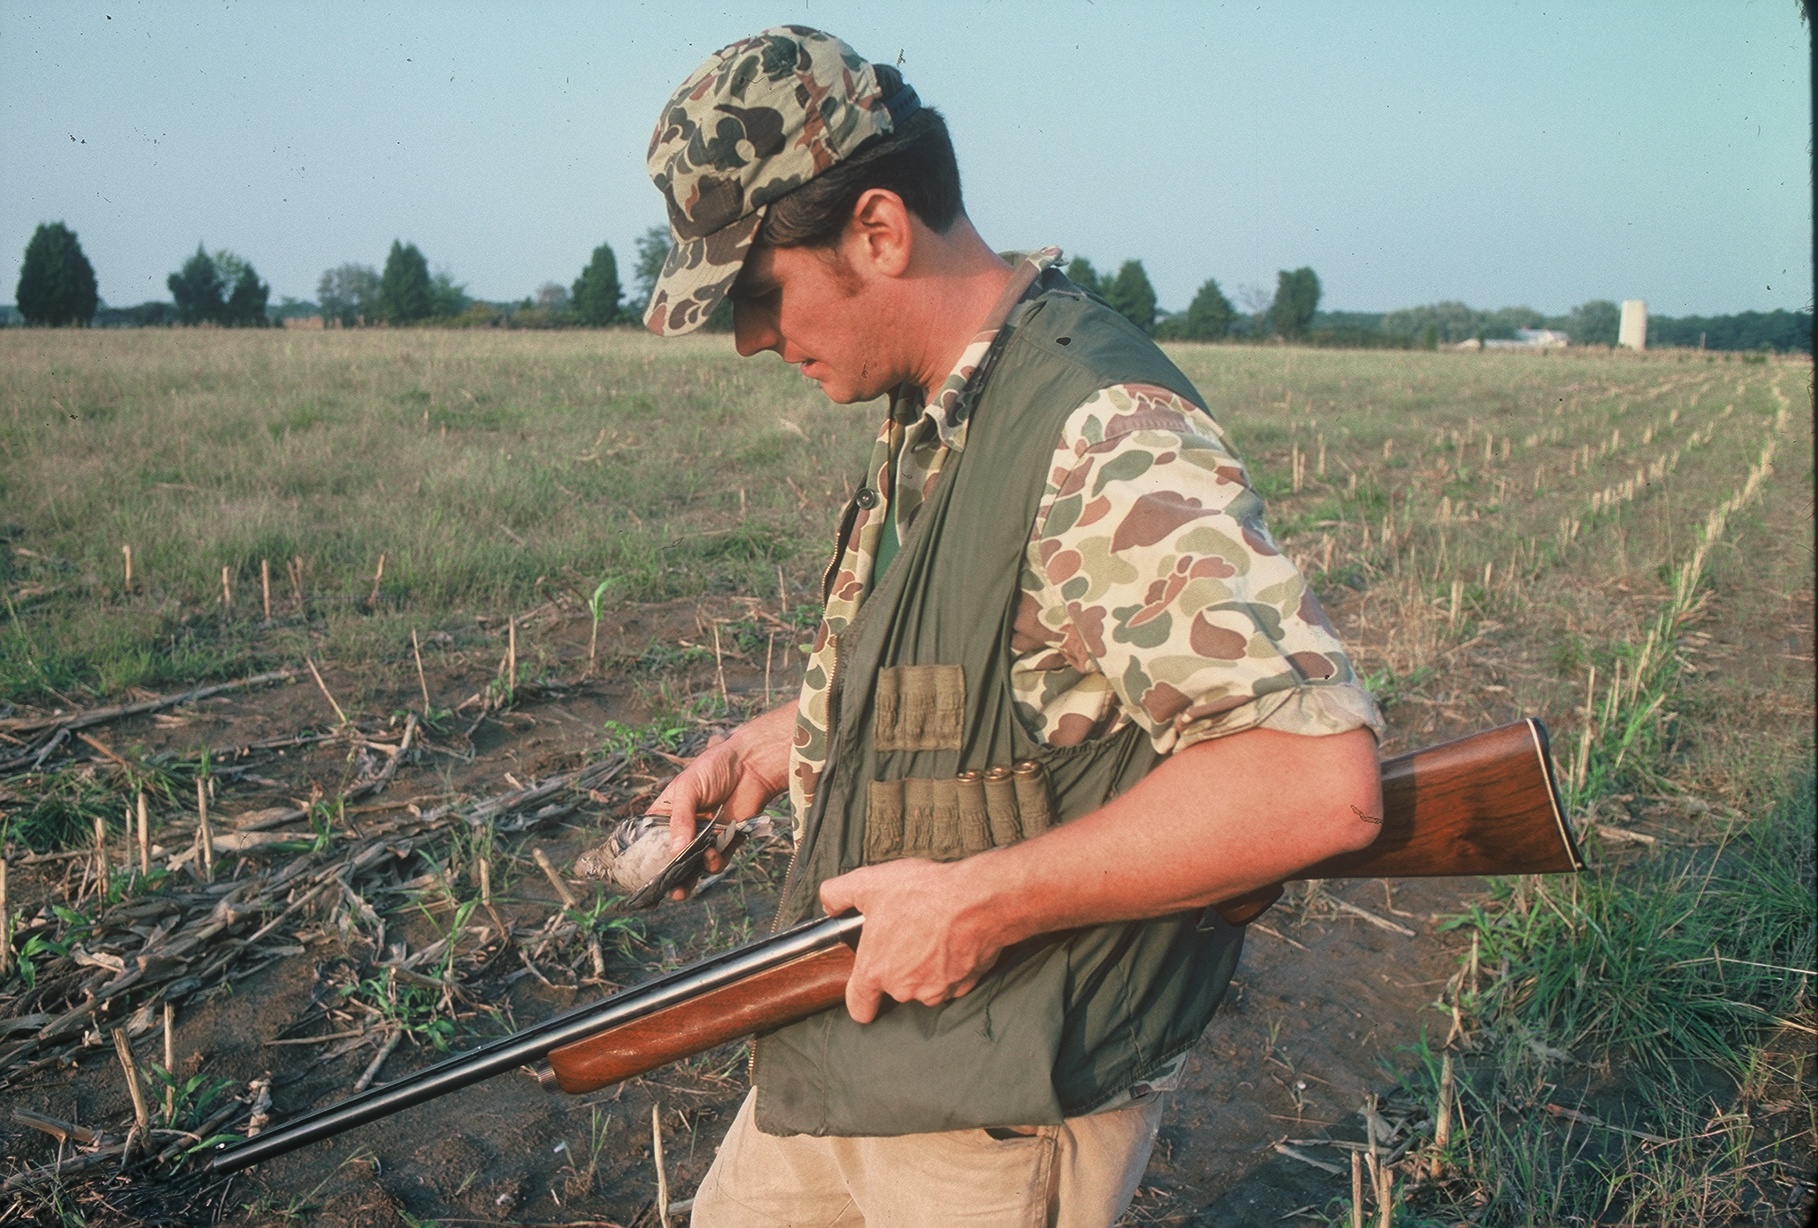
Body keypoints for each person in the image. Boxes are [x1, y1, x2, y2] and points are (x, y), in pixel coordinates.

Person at [640, 26, 1385, 1227]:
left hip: (1000, 1103)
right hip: (865, 1048)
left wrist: (980, 901)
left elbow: (1314, 784)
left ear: (879, 231)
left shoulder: (1101, 429)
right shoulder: (948, 400)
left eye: (759, 292)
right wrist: (775, 745)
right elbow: (1004, 667)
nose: (750, 337)